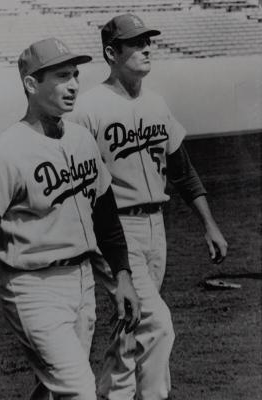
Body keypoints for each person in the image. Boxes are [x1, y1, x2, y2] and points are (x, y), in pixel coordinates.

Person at [0, 37, 141, 400]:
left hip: (82, 282)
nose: (73, 84)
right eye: (61, 76)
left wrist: (123, 275)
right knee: (79, 389)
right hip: (32, 287)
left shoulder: (83, 139)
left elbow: (105, 218)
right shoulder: (6, 153)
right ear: (31, 84)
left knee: (55, 389)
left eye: (75, 74)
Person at [68, 14, 228, 400]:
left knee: (131, 323)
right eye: (136, 43)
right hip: (114, 230)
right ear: (111, 53)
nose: (146, 49)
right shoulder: (87, 109)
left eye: (148, 42)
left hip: (156, 227)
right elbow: (73, 178)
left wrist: (209, 224)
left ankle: (111, 395)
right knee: (158, 324)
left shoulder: (157, 104)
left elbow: (183, 172)